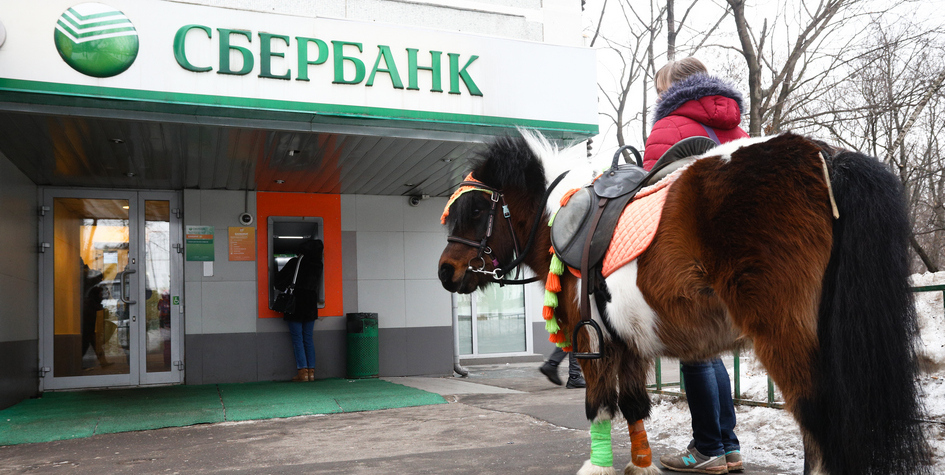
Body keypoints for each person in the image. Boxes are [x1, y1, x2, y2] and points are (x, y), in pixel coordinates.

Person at [645, 57, 747, 474]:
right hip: (739, 250)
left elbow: (653, 191)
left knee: (694, 352)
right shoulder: (736, 125)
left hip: (691, 251)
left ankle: (707, 448)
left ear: (671, 87)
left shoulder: (668, 124)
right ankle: (728, 446)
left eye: (659, 88)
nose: (658, 97)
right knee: (712, 350)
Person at [275, 239, 324, 382]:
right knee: (308, 338)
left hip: (295, 304)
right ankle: (311, 373)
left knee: (298, 339)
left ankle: (302, 372)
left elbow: (278, 282)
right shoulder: (318, 264)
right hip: (310, 304)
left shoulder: (295, 263)